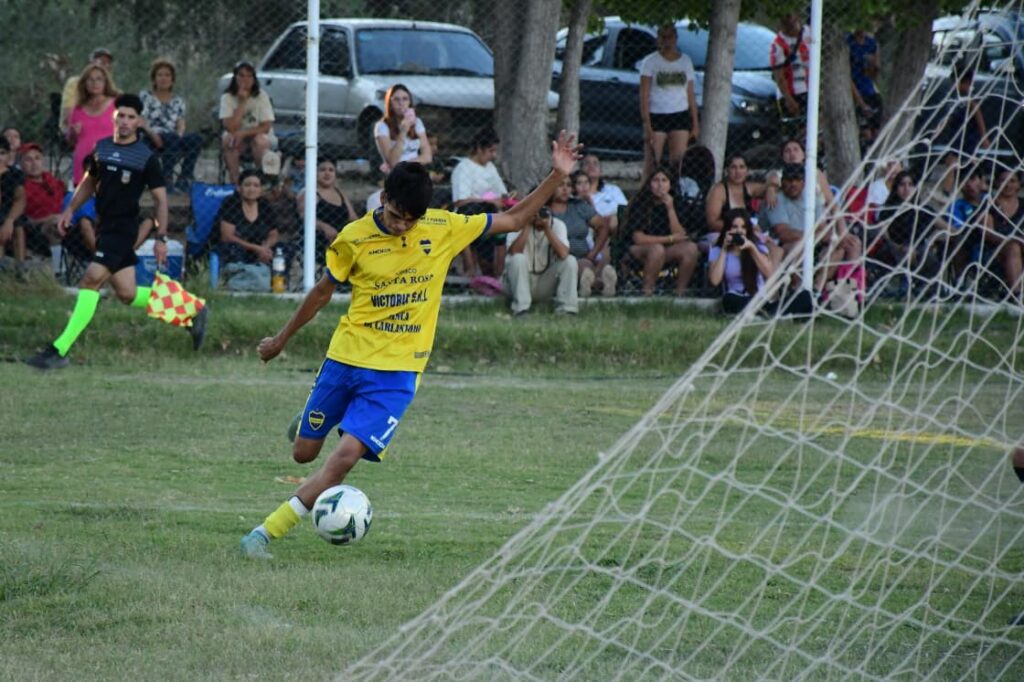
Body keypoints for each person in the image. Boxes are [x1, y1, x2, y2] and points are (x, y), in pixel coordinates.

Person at [238, 131, 582, 559]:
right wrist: (280, 340)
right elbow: (322, 293)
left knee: (342, 459)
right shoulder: (354, 237)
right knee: (303, 455)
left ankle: (263, 534)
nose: (403, 226)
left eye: (411, 221)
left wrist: (557, 175)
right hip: (347, 357)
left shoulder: (442, 227)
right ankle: (318, 415)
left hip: (398, 373)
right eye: (397, 216)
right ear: (383, 198)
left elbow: (513, 220)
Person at [25, 94, 208, 371]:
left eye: (131, 117)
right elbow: (89, 182)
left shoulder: (145, 157)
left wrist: (161, 238)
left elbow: (160, 201)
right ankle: (191, 309)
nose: (124, 121)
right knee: (127, 293)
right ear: (114, 117)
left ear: (139, 122)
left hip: (123, 230)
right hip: (105, 227)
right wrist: (70, 210)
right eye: (121, 115)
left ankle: (59, 350)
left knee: (90, 281)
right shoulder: (102, 148)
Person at [760, 163, 861, 292]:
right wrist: (818, 236)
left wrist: (829, 237)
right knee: (799, 247)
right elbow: (784, 234)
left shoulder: (811, 196)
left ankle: (823, 290)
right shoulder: (776, 199)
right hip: (784, 246)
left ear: (803, 182)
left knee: (843, 246)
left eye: (797, 180)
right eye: (789, 180)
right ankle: (797, 289)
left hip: (811, 242)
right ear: (783, 182)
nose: (793, 184)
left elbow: (821, 227)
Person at [623, 166, 700, 297]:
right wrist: (669, 239)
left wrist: (670, 209)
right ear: (649, 184)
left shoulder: (676, 202)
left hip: (667, 249)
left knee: (691, 248)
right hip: (639, 249)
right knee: (657, 249)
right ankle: (647, 293)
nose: (660, 185)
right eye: (656, 180)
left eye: (664, 180)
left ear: (670, 184)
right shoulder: (640, 203)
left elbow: (680, 236)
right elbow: (638, 238)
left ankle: (679, 294)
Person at [639, 23, 699, 179]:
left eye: (670, 37)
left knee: (678, 163)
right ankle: (646, 192)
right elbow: (644, 95)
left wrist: (695, 123)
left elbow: (690, 94)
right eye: (663, 37)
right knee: (652, 164)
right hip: (657, 115)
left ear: (676, 39)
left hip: (679, 115)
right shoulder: (650, 62)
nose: (667, 41)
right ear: (658, 39)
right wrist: (647, 124)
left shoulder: (685, 61)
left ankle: (674, 191)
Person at [703, 153, 782, 269]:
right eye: (733, 167)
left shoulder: (749, 187)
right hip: (723, 234)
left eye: (741, 167)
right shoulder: (719, 190)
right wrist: (744, 228)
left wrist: (770, 188)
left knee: (777, 251)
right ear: (727, 170)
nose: (738, 171)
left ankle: (771, 279)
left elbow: (774, 180)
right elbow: (712, 222)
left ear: (747, 171)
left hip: (749, 233)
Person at [450, 127, 510, 277]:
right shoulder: (463, 168)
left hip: (490, 213)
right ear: (479, 148)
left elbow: (502, 192)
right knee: (467, 214)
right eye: (490, 151)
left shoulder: (490, 167)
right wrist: (489, 201)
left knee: (503, 221)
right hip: (470, 213)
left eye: (495, 151)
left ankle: (499, 273)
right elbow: (460, 201)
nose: (493, 155)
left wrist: (506, 198)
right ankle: (469, 267)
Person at [873, 170, 949, 289]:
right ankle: (907, 284)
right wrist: (899, 247)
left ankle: (927, 286)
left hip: (920, 250)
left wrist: (945, 203)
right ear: (896, 188)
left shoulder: (923, 209)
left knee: (928, 255)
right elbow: (883, 233)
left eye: (910, 185)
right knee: (908, 252)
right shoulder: (889, 210)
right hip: (894, 249)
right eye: (902, 185)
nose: (906, 189)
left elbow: (949, 228)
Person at [139, 58, 203, 193]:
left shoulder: (178, 101)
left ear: (172, 79)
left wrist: (179, 135)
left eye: (167, 75)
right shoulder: (145, 96)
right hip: (150, 136)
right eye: (160, 75)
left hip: (173, 138)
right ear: (154, 79)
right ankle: (166, 178)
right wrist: (154, 135)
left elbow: (181, 122)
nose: (163, 78)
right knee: (171, 137)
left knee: (195, 138)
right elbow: (141, 120)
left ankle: (184, 178)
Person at [503, 206, 578, 316]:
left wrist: (547, 228)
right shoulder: (517, 224)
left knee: (570, 261)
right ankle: (521, 310)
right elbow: (514, 251)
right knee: (518, 259)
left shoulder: (558, 225)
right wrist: (527, 225)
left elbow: (563, 254)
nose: (539, 216)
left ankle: (567, 310)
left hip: (544, 282)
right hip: (520, 282)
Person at [549, 173, 614, 298]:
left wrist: (593, 253)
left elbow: (602, 226)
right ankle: (600, 284)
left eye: (568, 185)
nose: (565, 189)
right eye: (560, 185)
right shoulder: (545, 210)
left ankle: (590, 284)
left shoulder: (578, 206)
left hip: (582, 257)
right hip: (555, 259)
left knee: (586, 265)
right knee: (578, 267)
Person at [219, 169, 282, 291]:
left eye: (256, 185)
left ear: (261, 189)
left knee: (283, 249)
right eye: (247, 185)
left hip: (261, 248)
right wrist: (257, 248)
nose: (252, 189)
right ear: (239, 188)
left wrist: (265, 247)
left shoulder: (264, 205)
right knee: (233, 248)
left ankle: (276, 282)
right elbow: (227, 236)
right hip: (240, 248)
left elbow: (274, 233)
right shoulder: (231, 203)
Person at [220, 61, 276, 186]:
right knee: (228, 140)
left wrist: (243, 133)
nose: (245, 80)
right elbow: (230, 127)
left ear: (254, 79)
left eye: (249, 76)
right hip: (237, 138)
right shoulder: (227, 97)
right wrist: (242, 102)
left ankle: (261, 182)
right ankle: (236, 183)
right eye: (241, 75)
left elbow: (266, 126)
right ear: (235, 78)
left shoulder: (261, 96)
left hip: (259, 136)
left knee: (259, 141)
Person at [708, 209, 774, 314]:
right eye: (735, 227)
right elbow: (714, 281)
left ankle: (760, 310)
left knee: (800, 298)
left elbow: (769, 274)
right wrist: (724, 249)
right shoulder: (717, 250)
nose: (739, 231)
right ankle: (762, 311)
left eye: (743, 227)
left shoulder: (759, 248)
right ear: (727, 229)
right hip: (735, 297)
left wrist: (752, 248)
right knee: (729, 299)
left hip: (758, 297)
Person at [296, 157, 357, 266]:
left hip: (340, 243)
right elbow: (304, 217)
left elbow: (352, 217)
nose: (327, 173)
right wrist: (324, 227)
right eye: (322, 170)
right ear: (315, 173)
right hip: (316, 244)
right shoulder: (309, 192)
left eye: (331, 170)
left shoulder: (340, 192)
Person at [18, 142, 67, 274]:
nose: (34, 163)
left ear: (43, 160)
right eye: (28, 160)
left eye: (37, 158)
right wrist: (51, 218)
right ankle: (59, 271)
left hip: (66, 221)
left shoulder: (53, 181)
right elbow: (24, 220)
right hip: (37, 229)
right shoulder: (21, 186)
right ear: (21, 164)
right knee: (55, 225)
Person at [67, 64, 119, 186]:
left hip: (110, 163)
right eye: (90, 79)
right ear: (84, 83)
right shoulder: (78, 109)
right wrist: (73, 133)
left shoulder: (116, 104)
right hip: (83, 166)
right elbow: (70, 142)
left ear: (105, 82)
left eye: (99, 79)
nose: (94, 83)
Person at [375, 84, 432, 174]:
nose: (401, 103)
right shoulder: (382, 126)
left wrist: (405, 165)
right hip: (397, 176)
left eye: (405, 99)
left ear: (410, 103)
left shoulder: (417, 122)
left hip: (415, 173)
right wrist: (403, 131)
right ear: (390, 104)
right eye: (396, 99)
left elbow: (427, 156)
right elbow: (392, 162)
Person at [770, 13, 811, 133]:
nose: (790, 25)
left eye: (790, 17)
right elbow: (779, 75)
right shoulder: (778, 44)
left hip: (810, 89)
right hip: (794, 93)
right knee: (797, 130)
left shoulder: (810, 32)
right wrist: (788, 99)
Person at [985, 166, 1023, 298]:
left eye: (1012, 181)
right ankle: (1016, 295)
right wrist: (1011, 240)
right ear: (996, 182)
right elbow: (987, 233)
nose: (1008, 185)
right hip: (994, 250)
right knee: (1013, 247)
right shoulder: (990, 204)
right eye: (1003, 180)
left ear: (1019, 184)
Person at [60, 48, 115, 132]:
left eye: (107, 63)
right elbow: (68, 117)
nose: (104, 66)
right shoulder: (74, 83)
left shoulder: (110, 88)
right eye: (100, 62)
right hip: (76, 130)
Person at [847, 28, 882, 146]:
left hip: (870, 91)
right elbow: (848, 79)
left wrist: (874, 65)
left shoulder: (871, 43)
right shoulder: (848, 42)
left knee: (877, 129)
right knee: (866, 132)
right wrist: (861, 103)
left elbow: (873, 73)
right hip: (856, 91)